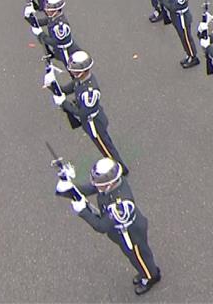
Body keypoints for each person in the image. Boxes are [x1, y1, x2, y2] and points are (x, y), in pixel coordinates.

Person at [55, 158, 160, 295]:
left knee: (139, 257)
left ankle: (151, 276)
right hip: (121, 232)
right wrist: (68, 185)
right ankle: (145, 271)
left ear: (110, 183)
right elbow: (89, 189)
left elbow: (101, 226)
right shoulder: (109, 185)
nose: (97, 186)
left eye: (100, 184)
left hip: (132, 234)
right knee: (135, 258)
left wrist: (82, 211)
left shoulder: (121, 206)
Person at [55, 51, 130, 172]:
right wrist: (53, 85)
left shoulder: (90, 91)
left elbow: (83, 113)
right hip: (90, 122)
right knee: (104, 147)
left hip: (94, 124)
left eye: (75, 71)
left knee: (106, 148)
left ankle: (120, 169)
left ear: (83, 72)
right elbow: (66, 89)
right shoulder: (80, 80)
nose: (73, 73)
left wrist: (64, 103)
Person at [161, 0, 200, 69]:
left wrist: (162, 0)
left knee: (186, 38)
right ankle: (188, 54)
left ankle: (193, 56)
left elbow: (174, 7)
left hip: (182, 17)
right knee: (182, 37)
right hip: (176, 17)